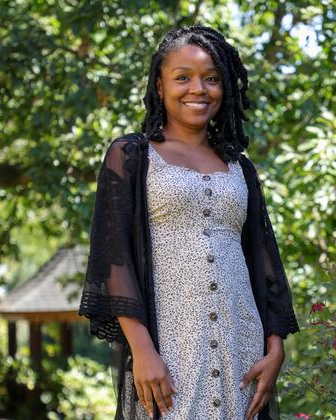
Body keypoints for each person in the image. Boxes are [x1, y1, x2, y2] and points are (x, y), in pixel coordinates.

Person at [78, 25, 300, 420]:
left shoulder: (240, 168)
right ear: (160, 87)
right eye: (182, 77)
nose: (198, 88)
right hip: (169, 346)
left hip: (243, 348)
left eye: (211, 78)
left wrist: (275, 345)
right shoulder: (131, 155)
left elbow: (266, 261)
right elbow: (114, 259)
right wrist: (142, 350)